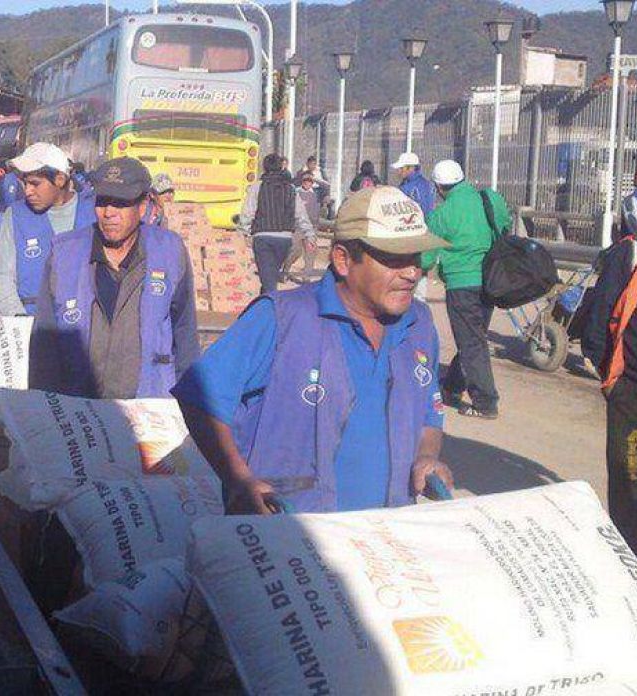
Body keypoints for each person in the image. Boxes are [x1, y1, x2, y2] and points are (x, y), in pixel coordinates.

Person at [171, 186, 452, 514]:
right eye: (393, 259)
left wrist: (427, 457)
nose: (411, 273)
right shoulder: (281, 318)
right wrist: (236, 477)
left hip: (384, 538)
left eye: (416, 258)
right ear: (344, 260)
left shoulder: (419, 325)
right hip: (289, 538)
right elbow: (199, 397)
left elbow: (430, 410)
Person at [29, 157, 199, 399]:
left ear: (143, 206)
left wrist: (189, 407)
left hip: (147, 408)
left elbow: (185, 334)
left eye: (120, 204)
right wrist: (41, 409)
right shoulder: (65, 253)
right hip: (78, 409)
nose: (108, 213)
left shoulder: (169, 252)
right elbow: (43, 344)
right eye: (102, 202)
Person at [582, 153, 637, 562]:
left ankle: (632, 563)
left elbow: (600, 315)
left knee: (631, 483)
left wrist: (603, 366)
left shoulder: (629, 249)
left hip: (632, 387)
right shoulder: (632, 251)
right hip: (633, 385)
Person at [423, 159, 509, 419]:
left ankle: (485, 402)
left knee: (471, 341)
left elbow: (426, 257)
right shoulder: (489, 198)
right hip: (492, 280)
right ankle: (452, 386)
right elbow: (504, 223)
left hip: (461, 284)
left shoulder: (442, 214)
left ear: (439, 187)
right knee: (473, 336)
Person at [0, 142, 96, 316]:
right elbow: (3, 275)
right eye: (25, 184)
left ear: (60, 180)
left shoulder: (93, 213)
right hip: (31, 321)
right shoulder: (16, 215)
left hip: (83, 323)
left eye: (35, 184)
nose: (28, 191)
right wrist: (18, 319)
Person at [238, 153, 315, 294]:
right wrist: (309, 235)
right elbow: (301, 215)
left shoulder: (257, 187)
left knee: (269, 282)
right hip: (285, 239)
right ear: (281, 167)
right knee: (270, 277)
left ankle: (270, 309)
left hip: (263, 237)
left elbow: (248, 213)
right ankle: (265, 303)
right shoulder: (291, 189)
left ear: (264, 168)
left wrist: (243, 231)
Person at [392, 152, 438, 301]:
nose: (398, 171)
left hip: (413, 233)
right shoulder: (420, 185)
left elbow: (423, 212)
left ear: (410, 168)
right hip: (415, 232)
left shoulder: (414, 187)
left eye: (401, 168)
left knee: (412, 268)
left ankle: (415, 302)